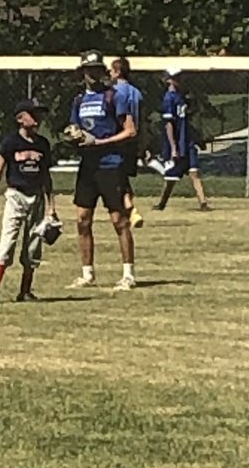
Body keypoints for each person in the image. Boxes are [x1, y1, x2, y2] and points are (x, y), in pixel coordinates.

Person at [69, 50, 138, 291]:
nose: (94, 74)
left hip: (110, 164)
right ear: (82, 73)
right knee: (82, 219)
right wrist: (74, 137)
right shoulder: (78, 101)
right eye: (89, 70)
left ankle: (128, 273)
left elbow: (130, 131)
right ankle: (87, 273)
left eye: (98, 69)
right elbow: (74, 127)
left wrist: (100, 143)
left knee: (118, 220)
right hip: (88, 167)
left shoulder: (113, 96)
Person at [0, 98, 56, 303]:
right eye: (33, 114)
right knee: (7, 242)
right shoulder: (11, 143)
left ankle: (25, 291)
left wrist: (51, 208)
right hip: (16, 195)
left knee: (33, 246)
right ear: (20, 119)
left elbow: (46, 177)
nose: (37, 118)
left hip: (37, 197)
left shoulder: (42, 144)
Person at [153, 67, 212, 213]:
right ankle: (162, 203)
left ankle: (203, 202)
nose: (179, 80)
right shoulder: (169, 99)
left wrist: (197, 138)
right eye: (176, 77)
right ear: (169, 80)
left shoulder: (182, 97)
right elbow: (169, 125)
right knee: (171, 177)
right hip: (177, 143)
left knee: (194, 172)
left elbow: (186, 122)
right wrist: (173, 147)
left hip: (187, 142)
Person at [110, 56, 144, 230]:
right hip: (134, 140)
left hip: (119, 139)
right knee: (123, 176)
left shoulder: (115, 92)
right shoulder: (136, 92)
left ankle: (130, 208)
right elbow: (141, 118)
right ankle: (129, 208)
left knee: (118, 177)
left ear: (117, 72)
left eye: (111, 70)